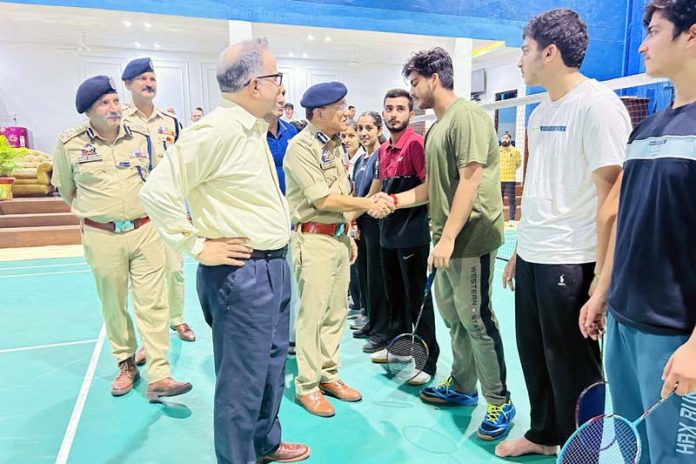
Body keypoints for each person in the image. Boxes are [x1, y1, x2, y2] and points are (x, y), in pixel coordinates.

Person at [139, 39, 309, 464]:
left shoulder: (250, 129)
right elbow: (157, 191)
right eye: (276, 78)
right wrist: (196, 244)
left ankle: (264, 444)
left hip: (272, 265)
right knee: (241, 382)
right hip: (241, 273)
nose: (280, 87)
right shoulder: (215, 131)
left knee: (270, 368)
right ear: (255, 85)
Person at [495, 9, 632, 458]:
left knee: (572, 364)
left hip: (573, 259)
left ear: (549, 53)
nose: (520, 60)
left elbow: (612, 198)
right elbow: (538, 186)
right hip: (534, 253)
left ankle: (585, 449)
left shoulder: (598, 106)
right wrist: (519, 249)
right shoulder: (539, 112)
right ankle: (545, 433)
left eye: (525, 50)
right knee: (534, 357)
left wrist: (601, 280)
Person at [579, 1, 696, 462]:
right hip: (625, 322)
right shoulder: (645, 130)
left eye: (654, 32)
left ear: (691, 35)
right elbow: (628, 219)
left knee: (675, 456)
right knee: (635, 449)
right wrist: (602, 289)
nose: (643, 44)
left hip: (674, 332)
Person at [392, 47, 515, 441]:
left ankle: (500, 400)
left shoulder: (469, 117)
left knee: (477, 319)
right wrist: (393, 200)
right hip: (443, 240)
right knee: (454, 319)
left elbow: (471, 178)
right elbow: (433, 187)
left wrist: (447, 238)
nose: (412, 92)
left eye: (414, 83)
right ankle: (463, 388)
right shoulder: (436, 125)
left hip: (470, 238)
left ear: (434, 77)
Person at [51, 75, 192, 402]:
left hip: (145, 230)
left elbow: (160, 178)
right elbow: (66, 189)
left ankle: (160, 373)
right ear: (88, 111)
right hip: (102, 235)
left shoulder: (142, 137)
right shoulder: (70, 144)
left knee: (154, 303)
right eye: (104, 103)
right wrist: (98, 213)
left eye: (115, 100)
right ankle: (126, 363)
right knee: (113, 303)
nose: (114, 108)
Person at [283, 81, 394, 418]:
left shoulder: (333, 147)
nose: (347, 112)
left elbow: (340, 199)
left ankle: (329, 375)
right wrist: (369, 203)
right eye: (340, 107)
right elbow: (323, 199)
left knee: (335, 314)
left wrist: (350, 230)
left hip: (337, 238)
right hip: (312, 239)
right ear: (319, 112)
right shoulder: (300, 148)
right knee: (313, 315)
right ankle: (306, 386)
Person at [120, 58, 196, 364]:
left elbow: (184, 167)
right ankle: (147, 341)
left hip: (170, 209)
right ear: (128, 85)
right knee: (145, 282)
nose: (148, 83)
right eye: (141, 79)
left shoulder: (171, 122)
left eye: (152, 78)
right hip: (138, 212)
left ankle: (177, 319)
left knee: (175, 271)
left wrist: (188, 209)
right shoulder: (120, 121)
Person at [368, 88, 439, 387]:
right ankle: (399, 350)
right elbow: (383, 189)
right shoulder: (383, 151)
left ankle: (428, 361)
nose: (393, 113)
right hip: (387, 236)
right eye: (389, 108)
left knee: (416, 301)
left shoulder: (416, 145)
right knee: (393, 297)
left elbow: (428, 189)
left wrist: (395, 203)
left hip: (412, 237)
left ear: (411, 114)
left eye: (400, 108)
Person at [350, 112, 390, 354]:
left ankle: (379, 329)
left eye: (369, 128)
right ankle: (369, 319)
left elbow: (375, 191)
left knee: (376, 277)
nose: (364, 133)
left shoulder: (380, 155)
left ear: (378, 129)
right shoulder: (359, 159)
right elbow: (355, 189)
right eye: (361, 128)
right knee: (363, 273)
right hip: (360, 222)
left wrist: (353, 210)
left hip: (374, 224)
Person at [265, 87, 300, 356]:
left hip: (290, 218)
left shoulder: (291, 133)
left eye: (284, 94)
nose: (281, 99)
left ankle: (290, 337)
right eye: (276, 93)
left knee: (291, 281)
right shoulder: (250, 134)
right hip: (262, 219)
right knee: (266, 284)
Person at [339, 121, 366, 322]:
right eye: (343, 136)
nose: (347, 140)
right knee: (353, 266)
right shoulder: (345, 160)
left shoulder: (363, 160)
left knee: (361, 267)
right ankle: (357, 303)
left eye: (351, 136)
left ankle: (362, 307)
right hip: (349, 218)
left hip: (360, 218)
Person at [498, 132, 521, 226]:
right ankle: (498, 219)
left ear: (510, 139)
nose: (505, 139)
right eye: (503, 138)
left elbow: (518, 164)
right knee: (498, 200)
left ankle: (512, 219)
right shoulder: (497, 151)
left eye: (506, 138)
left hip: (510, 179)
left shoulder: (515, 151)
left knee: (512, 200)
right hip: (498, 179)